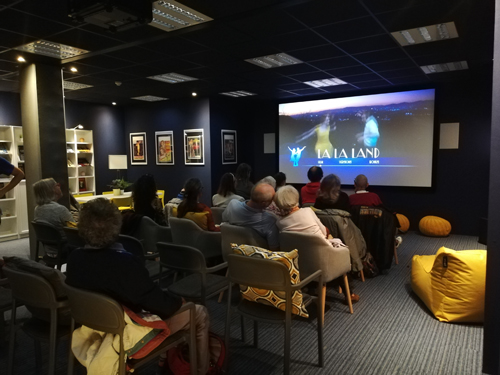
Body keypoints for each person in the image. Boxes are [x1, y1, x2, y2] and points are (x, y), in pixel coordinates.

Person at [65, 198, 210, 375]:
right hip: (128, 330)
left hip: (93, 325)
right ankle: (202, 371)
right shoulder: (125, 264)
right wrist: (181, 301)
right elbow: (160, 305)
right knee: (199, 313)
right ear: (116, 227)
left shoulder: (74, 259)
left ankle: (166, 361)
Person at [274, 185, 360, 303]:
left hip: (299, 263)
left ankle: (311, 287)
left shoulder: (280, 222)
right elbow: (325, 232)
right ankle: (349, 294)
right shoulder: (308, 211)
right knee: (337, 247)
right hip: (324, 259)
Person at [222, 183, 279, 250]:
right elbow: (275, 249)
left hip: (231, 254)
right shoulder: (270, 221)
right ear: (264, 203)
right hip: (257, 259)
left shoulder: (232, 204)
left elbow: (224, 221)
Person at [33, 178, 74, 258]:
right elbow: (74, 229)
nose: (60, 186)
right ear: (52, 190)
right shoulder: (60, 209)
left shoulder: (37, 209)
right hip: (65, 249)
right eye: (57, 185)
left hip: (49, 249)